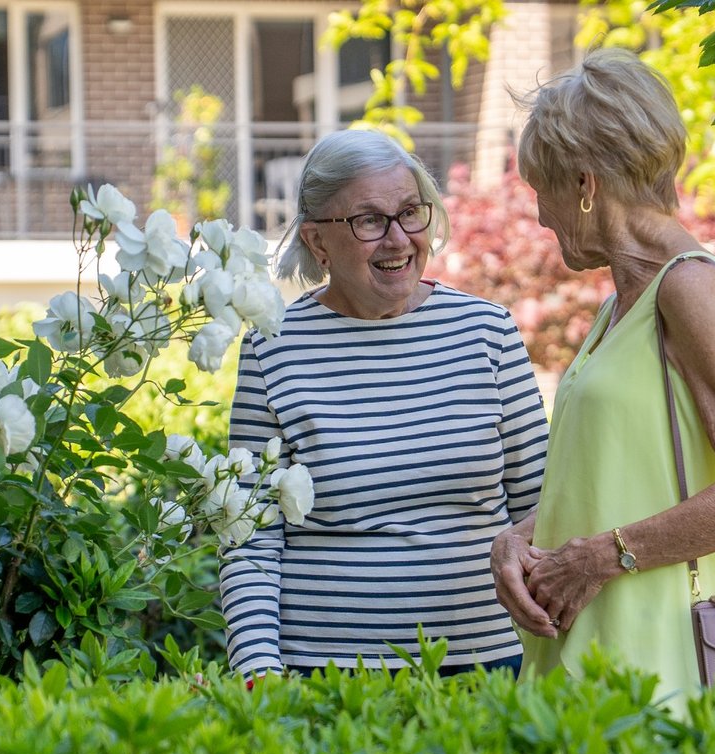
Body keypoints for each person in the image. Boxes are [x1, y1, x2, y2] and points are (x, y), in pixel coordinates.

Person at [490, 47, 715, 708]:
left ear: (585, 184)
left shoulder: (691, 290)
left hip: (658, 669)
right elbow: (619, 474)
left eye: (542, 187)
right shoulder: (618, 306)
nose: (541, 216)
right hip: (591, 662)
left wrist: (599, 559)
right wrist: (520, 543)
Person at [220, 129, 551, 679]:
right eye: (368, 221)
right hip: (326, 676)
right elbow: (251, 538)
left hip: (487, 665)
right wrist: (258, 670)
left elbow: (541, 507)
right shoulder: (273, 346)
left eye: (410, 213)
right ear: (318, 241)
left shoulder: (487, 333)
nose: (398, 239)